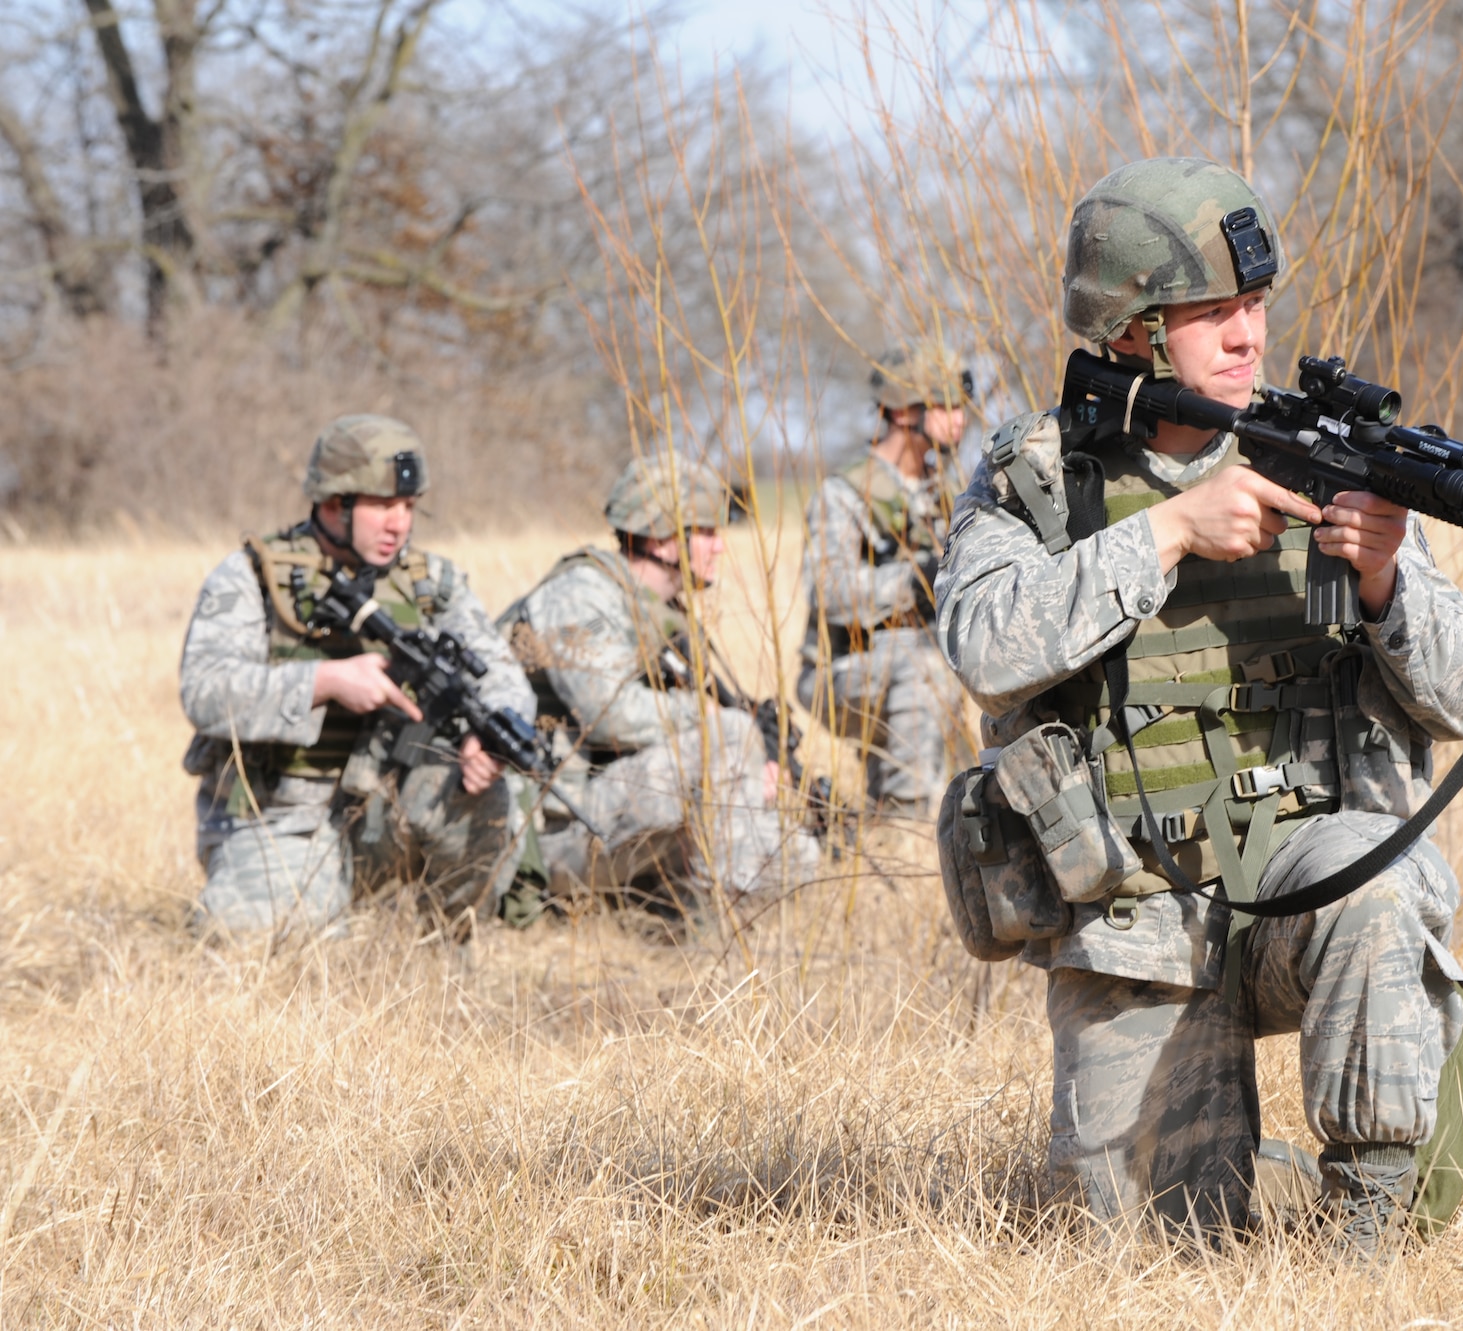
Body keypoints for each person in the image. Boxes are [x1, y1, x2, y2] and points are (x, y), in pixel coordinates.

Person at [935, 158, 1463, 1253]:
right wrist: (1169, 530)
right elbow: (985, 648)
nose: (1247, 335)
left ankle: (1366, 1229)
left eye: (1254, 307)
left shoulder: (1325, 461)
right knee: (1147, 1242)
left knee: (1381, 884)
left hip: (1310, 881)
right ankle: (1247, 1169)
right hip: (1133, 918)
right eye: (1212, 314)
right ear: (1134, 329)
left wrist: (1382, 580)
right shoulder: (1036, 480)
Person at [179, 415, 532, 936]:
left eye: (408, 507)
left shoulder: (433, 584)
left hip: (382, 812)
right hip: (279, 816)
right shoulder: (255, 576)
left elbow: (505, 680)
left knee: (484, 796)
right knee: (262, 944)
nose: (399, 524)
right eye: (383, 506)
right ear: (332, 503)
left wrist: (490, 737)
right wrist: (325, 681)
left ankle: (444, 945)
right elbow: (205, 692)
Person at [498, 454, 815, 913]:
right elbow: (610, 714)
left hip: (607, 816)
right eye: (706, 532)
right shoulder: (582, 593)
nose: (719, 547)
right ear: (664, 540)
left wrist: (752, 769)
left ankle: (693, 906)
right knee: (724, 737)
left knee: (802, 855)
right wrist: (712, 725)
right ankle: (715, 928)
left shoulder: (658, 613)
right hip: (551, 834)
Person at [796, 341, 975, 819]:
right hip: (839, 672)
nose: (959, 419)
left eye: (961, 406)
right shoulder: (846, 494)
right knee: (921, 665)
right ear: (901, 412)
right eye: (943, 405)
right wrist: (916, 581)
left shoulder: (952, 491)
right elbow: (829, 594)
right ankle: (907, 818)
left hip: (919, 658)